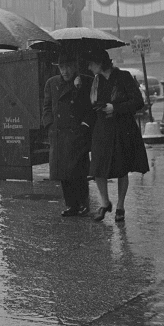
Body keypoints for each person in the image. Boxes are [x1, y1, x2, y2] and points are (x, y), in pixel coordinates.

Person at [83, 49, 149, 223]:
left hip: (122, 128)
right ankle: (105, 203)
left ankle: (120, 206)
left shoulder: (123, 76)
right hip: (102, 129)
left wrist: (115, 108)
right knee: (97, 168)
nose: (89, 67)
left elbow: (138, 102)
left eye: (91, 63)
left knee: (121, 168)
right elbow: (91, 105)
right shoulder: (96, 81)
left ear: (100, 63)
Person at [42, 51, 94, 217]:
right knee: (63, 173)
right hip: (58, 134)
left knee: (78, 172)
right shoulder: (52, 83)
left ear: (74, 67)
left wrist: (85, 125)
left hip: (77, 133)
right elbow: (47, 106)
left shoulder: (84, 82)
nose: (64, 71)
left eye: (67, 67)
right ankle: (71, 205)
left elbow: (90, 107)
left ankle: (83, 204)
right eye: (61, 67)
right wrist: (50, 125)